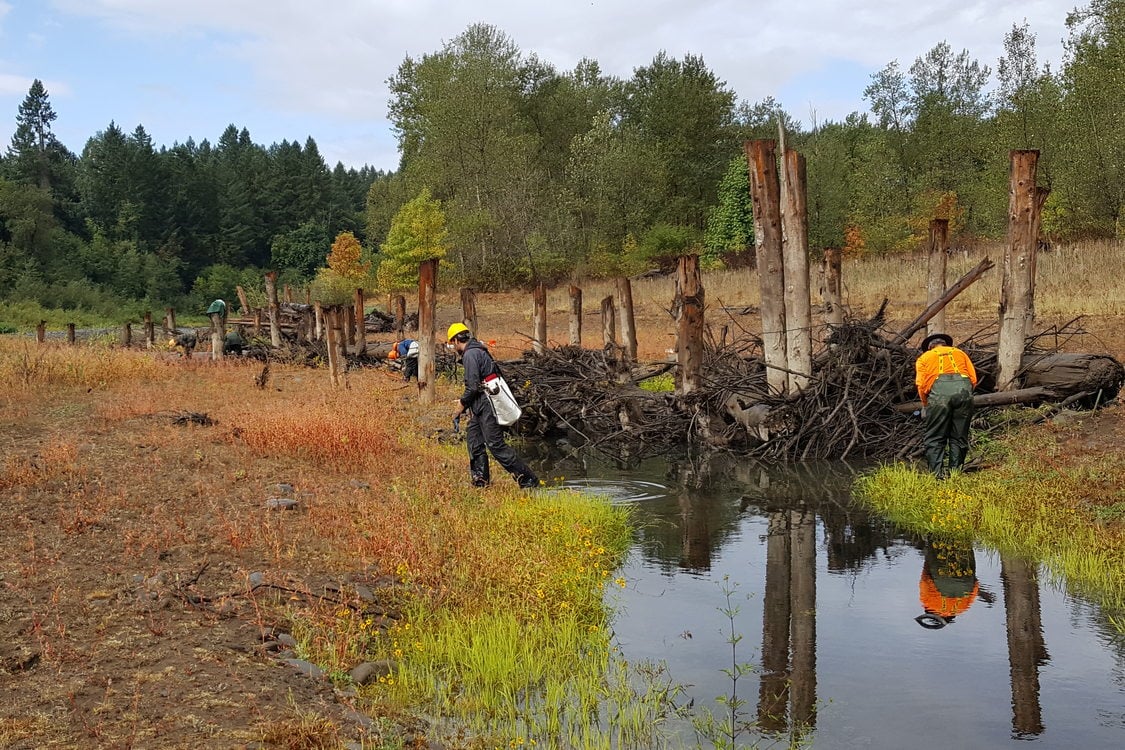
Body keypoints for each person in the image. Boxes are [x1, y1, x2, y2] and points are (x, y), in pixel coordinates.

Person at [448, 322, 540, 489]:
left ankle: (529, 480)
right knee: (474, 440)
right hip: (480, 403)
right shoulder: (477, 350)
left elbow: (473, 386)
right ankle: (480, 481)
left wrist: (460, 406)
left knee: (496, 445)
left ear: (455, 340)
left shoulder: (470, 354)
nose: (452, 347)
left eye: (451, 343)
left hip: (486, 404)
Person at [915, 333, 978, 478]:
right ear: (946, 344)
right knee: (959, 436)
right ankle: (955, 474)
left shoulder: (924, 358)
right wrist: (965, 394)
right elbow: (973, 379)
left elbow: (921, 385)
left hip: (938, 398)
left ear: (930, 348)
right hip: (964, 394)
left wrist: (925, 405)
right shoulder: (960, 353)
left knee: (935, 437)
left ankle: (936, 476)